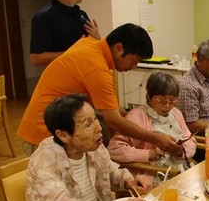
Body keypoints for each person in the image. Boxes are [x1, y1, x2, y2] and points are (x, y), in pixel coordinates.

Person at [24, 94, 155, 201]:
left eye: (95, 118)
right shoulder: (44, 159)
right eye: (88, 124)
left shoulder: (94, 146)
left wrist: (129, 181)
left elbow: (111, 171)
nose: (98, 128)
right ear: (63, 135)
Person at [18, 23, 182, 159]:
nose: (134, 67)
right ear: (118, 48)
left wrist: (135, 116)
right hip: (45, 133)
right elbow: (113, 120)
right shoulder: (97, 69)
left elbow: (111, 109)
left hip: (55, 128)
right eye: (135, 61)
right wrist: (155, 138)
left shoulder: (90, 45)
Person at [108, 72, 196, 186]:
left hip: (179, 172)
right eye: (161, 100)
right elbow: (114, 150)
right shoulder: (136, 116)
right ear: (149, 97)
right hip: (152, 176)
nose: (167, 105)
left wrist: (180, 152)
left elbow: (190, 140)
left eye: (172, 100)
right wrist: (149, 154)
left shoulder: (176, 113)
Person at [30, 0, 100, 67]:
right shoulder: (43, 17)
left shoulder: (81, 15)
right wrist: (72, 52)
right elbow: (36, 59)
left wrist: (97, 39)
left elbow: (89, 48)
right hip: (62, 75)